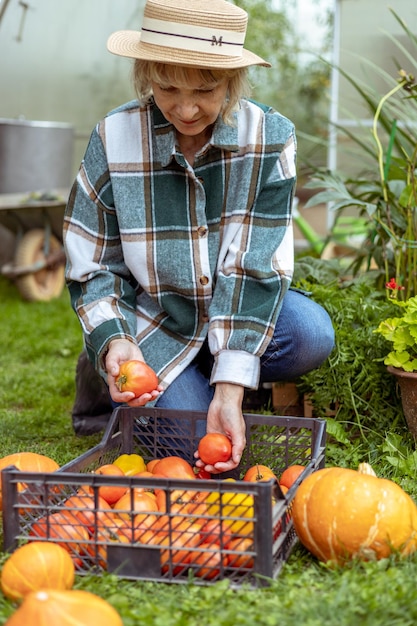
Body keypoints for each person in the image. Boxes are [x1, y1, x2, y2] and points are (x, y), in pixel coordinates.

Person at [63, 0, 334, 474]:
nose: (186, 109)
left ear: (232, 81)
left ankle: (207, 372)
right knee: (191, 448)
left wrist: (230, 387)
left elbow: (254, 267)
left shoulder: (270, 139)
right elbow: (92, 265)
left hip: (233, 305)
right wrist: (115, 340)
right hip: (154, 320)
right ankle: (110, 364)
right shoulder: (113, 137)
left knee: (310, 335)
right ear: (146, 74)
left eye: (206, 91)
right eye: (167, 87)